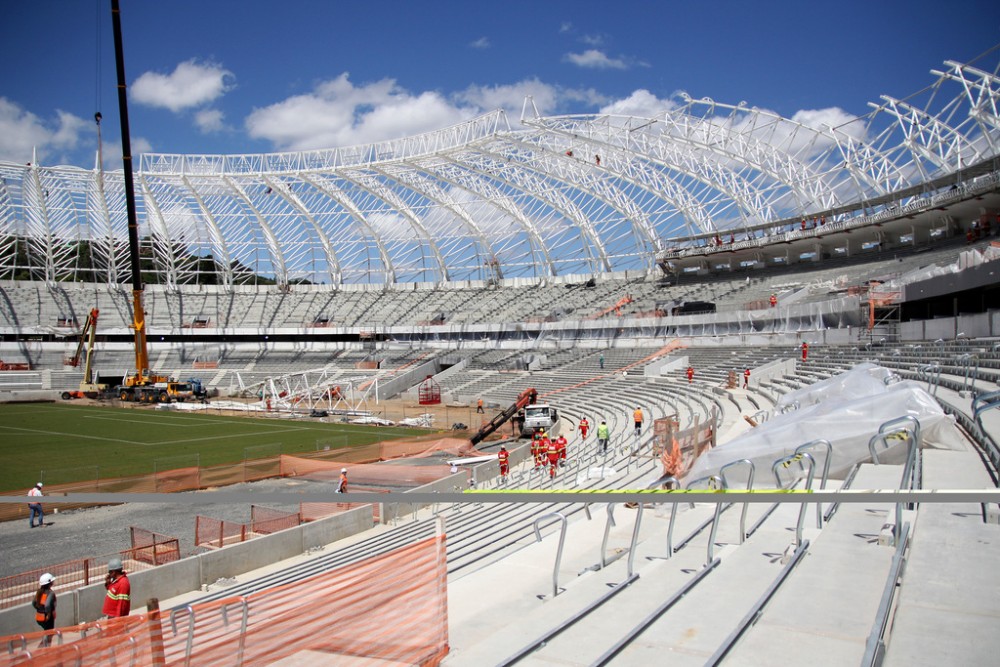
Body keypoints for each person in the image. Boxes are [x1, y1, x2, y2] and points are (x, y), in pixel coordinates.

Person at [33, 573, 56, 646]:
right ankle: (45, 649)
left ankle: (43, 647)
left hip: (39, 617)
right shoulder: (50, 593)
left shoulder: (39, 592)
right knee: (49, 633)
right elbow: (48, 605)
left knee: (47, 632)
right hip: (47, 617)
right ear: (50, 583)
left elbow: (34, 603)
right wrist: (48, 614)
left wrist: (40, 610)